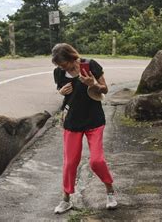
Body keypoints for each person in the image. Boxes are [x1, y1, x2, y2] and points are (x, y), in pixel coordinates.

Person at [51, 43, 117, 213]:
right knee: (70, 163)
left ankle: (110, 191)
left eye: (63, 63)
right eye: (59, 65)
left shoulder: (90, 65)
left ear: (72, 57)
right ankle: (66, 199)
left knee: (97, 161)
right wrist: (62, 92)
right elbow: (61, 90)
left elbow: (105, 89)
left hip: (94, 119)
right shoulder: (58, 72)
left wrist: (92, 83)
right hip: (72, 121)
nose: (61, 67)